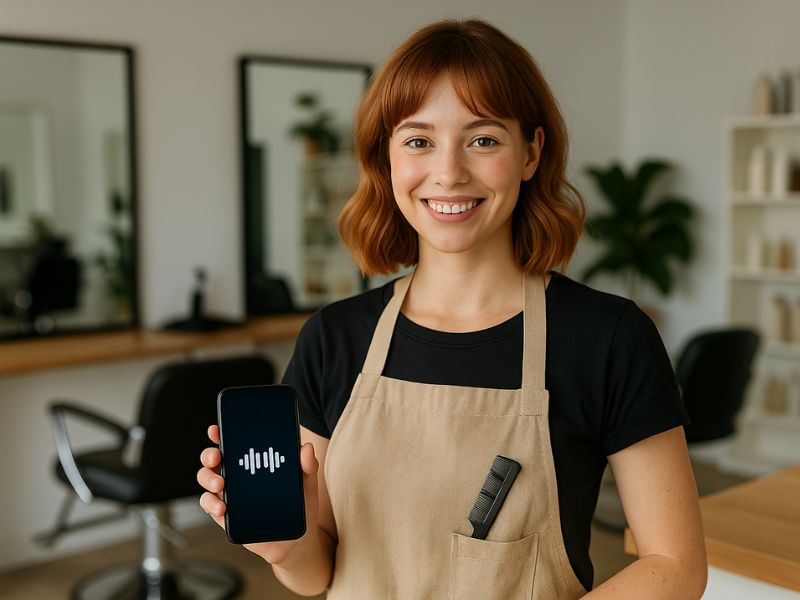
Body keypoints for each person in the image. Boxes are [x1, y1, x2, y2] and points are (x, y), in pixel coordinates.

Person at [198, 19, 707, 599]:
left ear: (531, 153)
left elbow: (675, 565)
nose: (448, 172)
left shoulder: (609, 337)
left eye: (483, 139)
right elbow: (317, 576)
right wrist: (287, 545)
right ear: (386, 158)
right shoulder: (334, 337)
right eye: (418, 140)